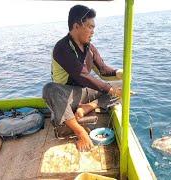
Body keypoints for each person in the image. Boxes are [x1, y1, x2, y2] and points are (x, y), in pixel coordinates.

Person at [42, 5, 123, 151]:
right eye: (90, 27)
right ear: (76, 26)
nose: (93, 31)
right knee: (49, 89)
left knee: (123, 85)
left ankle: (88, 107)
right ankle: (80, 132)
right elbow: (82, 76)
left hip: (84, 94)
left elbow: (103, 70)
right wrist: (110, 89)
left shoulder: (90, 48)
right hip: (67, 97)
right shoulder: (62, 48)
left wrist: (119, 73)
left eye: (94, 27)